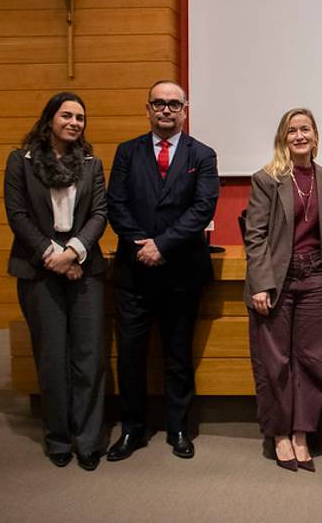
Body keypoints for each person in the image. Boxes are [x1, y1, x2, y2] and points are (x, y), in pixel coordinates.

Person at [106, 80, 220, 462]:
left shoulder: (202, 154)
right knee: (131, 357)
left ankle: (178, 428)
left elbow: (202, 209)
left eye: (174, 104)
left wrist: (162, 245)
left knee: (177, 356)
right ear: (148, 109)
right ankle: (132, 429)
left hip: (181, 274)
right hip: (134, 273)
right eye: (159, 104)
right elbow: (116, 204)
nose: (166, 110)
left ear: (185, 110)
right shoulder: (127, 152)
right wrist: (143, 244)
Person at [4, 92, 107, 471]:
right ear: (50, 119)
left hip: (85, 269)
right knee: (52, 358)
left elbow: (99, 213)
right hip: (38, 270)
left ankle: (89, 440)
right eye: (67, 115)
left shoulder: (92, 164)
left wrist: (75, 252)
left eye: (81, 117)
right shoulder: (20, 161)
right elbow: (17, 215)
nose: (75, 122)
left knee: (88, 357)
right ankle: (59, 438)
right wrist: (56, 258)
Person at [243, 108, 322, 472]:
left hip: (315, 278)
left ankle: (302, 433)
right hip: (277, 281)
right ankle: (279, 434)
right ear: (283, 137)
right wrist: (261, 283)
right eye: (292, 130)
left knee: (313, 360)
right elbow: (256, 235)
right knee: (275, 362)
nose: (299, 135)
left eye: (305, 129)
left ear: (315, 135)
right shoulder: (267, 178)